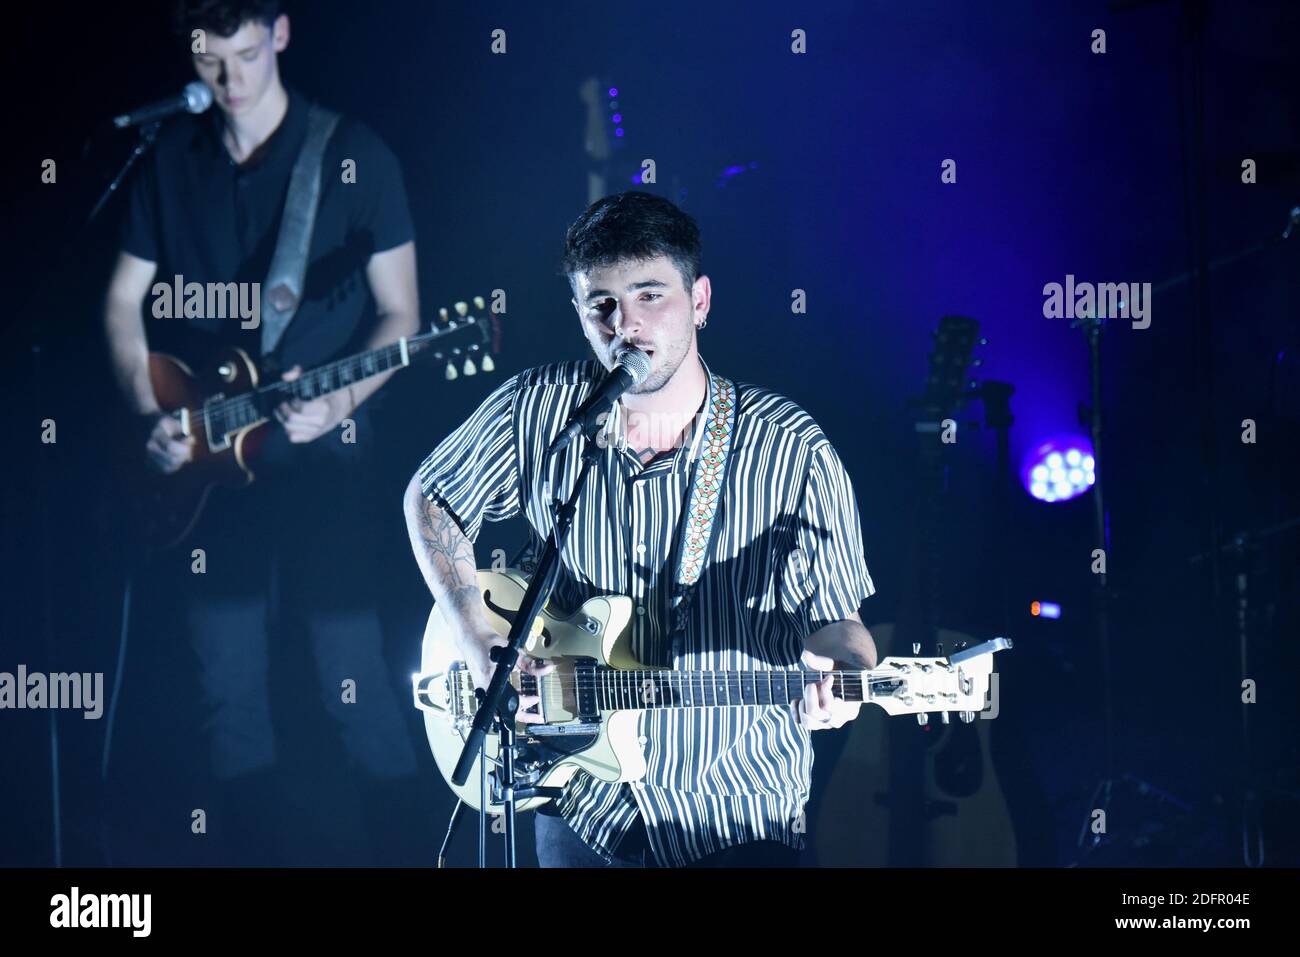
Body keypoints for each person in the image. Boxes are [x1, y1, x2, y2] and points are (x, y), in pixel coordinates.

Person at [405, 190, 877, 867]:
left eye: (650, 294)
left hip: (738, 813)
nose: (624, 324)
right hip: (585, 804)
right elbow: (431, 493)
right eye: (602, 304)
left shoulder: (790, 450)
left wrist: (848, 674)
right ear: (579, 312)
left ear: (701, 301)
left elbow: (838, 622)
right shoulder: (541, 411)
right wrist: (472, 634)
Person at [103, 0, 424, 864]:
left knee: (354, 688)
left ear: (281, 33)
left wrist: (340, 405)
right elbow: (123, 302)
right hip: (211, 477)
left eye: (246, 55)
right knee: (226, 700)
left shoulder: (353, 156)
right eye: (210, 62)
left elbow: (403, 313)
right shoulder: (170, 156)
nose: (229, 82)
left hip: (328, 466)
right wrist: (154, 415)